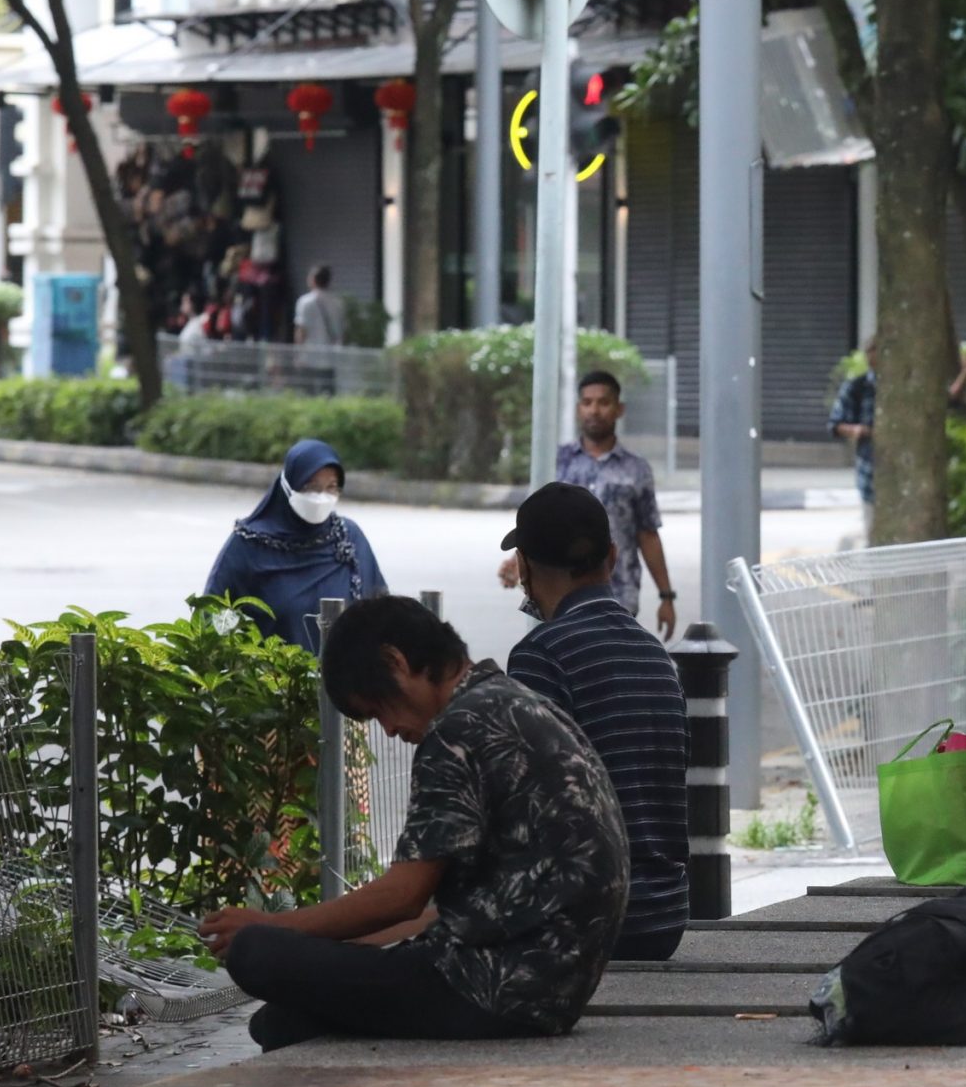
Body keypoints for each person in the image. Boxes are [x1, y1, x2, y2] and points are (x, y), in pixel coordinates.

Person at [201, 596, 629, 1050]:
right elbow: (440, 915)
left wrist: (272, 926)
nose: (387, 729)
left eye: (378, 708)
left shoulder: (456, 731)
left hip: (493, 986)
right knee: (280, 1023)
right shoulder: (515, 702)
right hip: (551, 984)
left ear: (395, 662)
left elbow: (403, 898)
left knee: (255, 954)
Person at [503, 482, 692, 962]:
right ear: (611, 557)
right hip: (665, 914)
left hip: (589, 922)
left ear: (523, 567)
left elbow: (530, 808)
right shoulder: (655, 653)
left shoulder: (540, 655)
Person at [501, 371, 676, 638]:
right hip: (561, 597)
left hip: (620, 599)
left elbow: (647, 534)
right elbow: (536, 524)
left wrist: (666, 596)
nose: (594, 410)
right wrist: (520, 563)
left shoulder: (636, 469)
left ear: (619, 409)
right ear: (578, 408)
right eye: (587, 402)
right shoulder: (557, 462)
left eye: (603, 403)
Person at [204, 438, 386, 650]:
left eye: (331, 488)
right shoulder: (249, 545)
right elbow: (213, 618)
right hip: (272, 678)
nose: (321, 497)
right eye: (311, 487)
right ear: (288, 486)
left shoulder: (349, 538)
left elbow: (381, 611)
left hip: (347, 679)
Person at [828, 353, 876, 538]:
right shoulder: (858, 386)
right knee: (871, 527)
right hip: (869, 467)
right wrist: (858, 430)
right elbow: (835, 424)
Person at [293, 263, 347, 347]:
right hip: (332, 354)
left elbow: (301, 331)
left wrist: (298, 354)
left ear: (313, 279)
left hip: (311, 354)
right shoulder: (338, 303)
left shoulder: (304, 301)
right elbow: (342, 332)